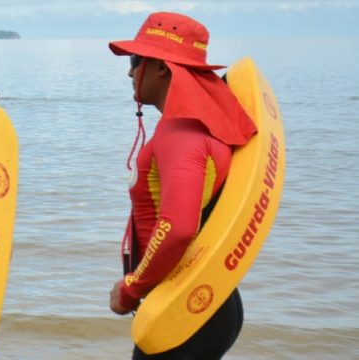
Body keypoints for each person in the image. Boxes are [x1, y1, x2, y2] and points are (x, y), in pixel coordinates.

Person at [107, 12, 258, 359]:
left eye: (136, 60)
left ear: (162, 67)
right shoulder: (205, 126)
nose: (130, 72)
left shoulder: (182, 134)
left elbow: (177, 228)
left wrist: (131, 289)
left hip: (188, 311)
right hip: (208, 301)